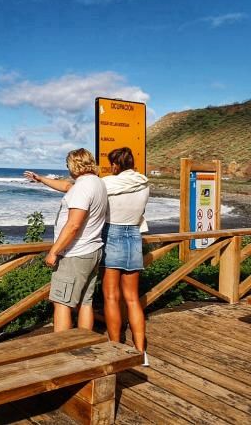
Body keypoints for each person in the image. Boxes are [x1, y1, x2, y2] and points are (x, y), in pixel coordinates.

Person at [24, 149, 107, 332]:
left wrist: (54, 251)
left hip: (75, 254)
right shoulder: (96, 183)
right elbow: (66, 186)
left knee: (61, 303)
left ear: (73, 164)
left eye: (67, 165)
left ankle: (62, 351)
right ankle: (83, 343)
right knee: (85, 302)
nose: (68, 169)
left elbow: (73, 225)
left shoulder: (83, 187)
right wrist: (41, 179)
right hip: (92, 250)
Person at [101, 147, 150, 366]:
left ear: (117, 164)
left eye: (112, 163)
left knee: (111, 296)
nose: (111, 167)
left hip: (113, 233)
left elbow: (80, 190)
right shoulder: (144, 182)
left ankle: (115, 346)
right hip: (134, 236)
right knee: (132, 297)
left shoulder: (109, 183)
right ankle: (141, 352)